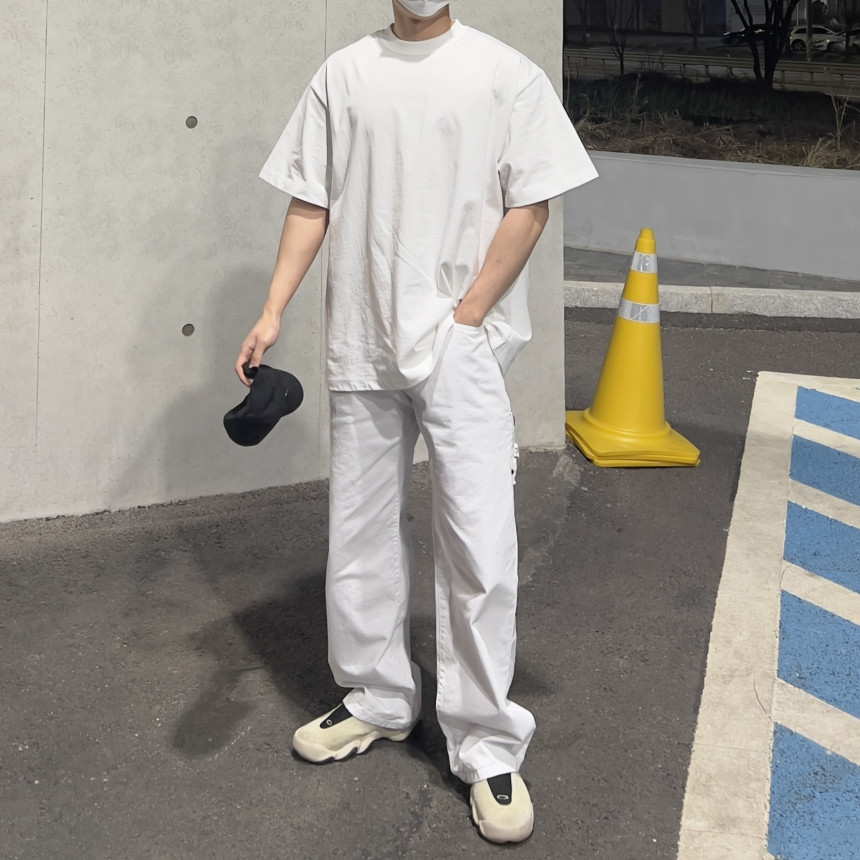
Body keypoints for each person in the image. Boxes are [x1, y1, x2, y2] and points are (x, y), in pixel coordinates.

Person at [235, 0, 597, 844]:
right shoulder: (344, 73)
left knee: (477, 540)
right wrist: (272, 310)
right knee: (360, 530)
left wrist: (468, 316)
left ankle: (487, 743)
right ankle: (378, 696)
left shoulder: (503, 72)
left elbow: (532, 204)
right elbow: (310, 201)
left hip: (458, 343)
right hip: (362, 334)